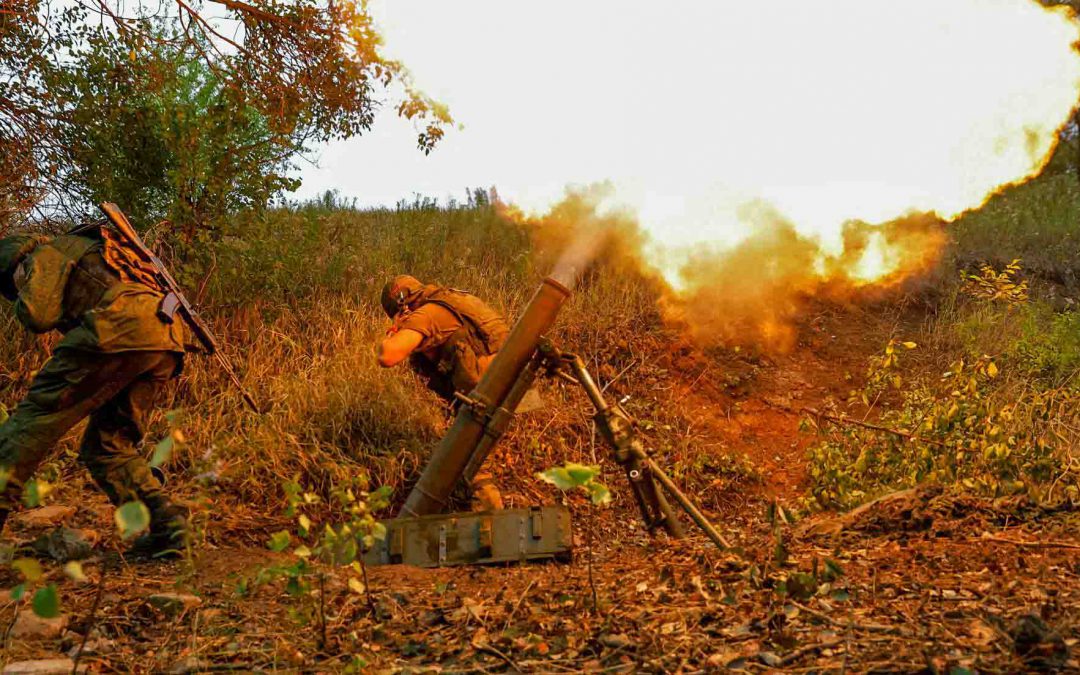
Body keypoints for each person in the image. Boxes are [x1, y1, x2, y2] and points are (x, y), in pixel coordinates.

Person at [0, 226, 190, 556]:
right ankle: (169, 529)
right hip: (167, 338)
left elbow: (38, 315)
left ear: (15, 264)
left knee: (32, 421)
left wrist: (24, 290)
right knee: (108, 444)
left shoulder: (44, 255)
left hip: (118, 327)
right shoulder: (89, 251)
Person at [378, 274, 509, 510]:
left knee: (469, 459)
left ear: (401, 306)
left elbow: (388, 355)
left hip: (485, 391)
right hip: (504, 379)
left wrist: (395, 330)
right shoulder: (451, 299)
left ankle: (491, 525)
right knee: (470, 458)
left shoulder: (426, 314)